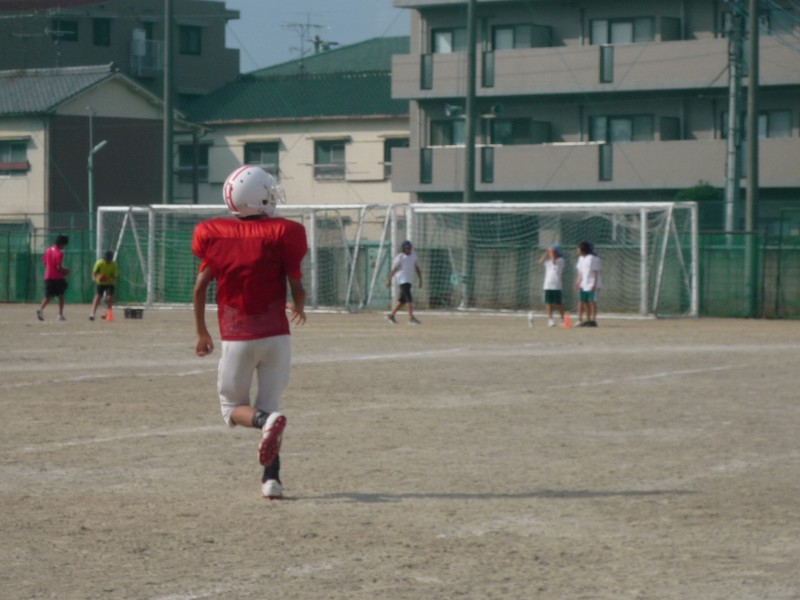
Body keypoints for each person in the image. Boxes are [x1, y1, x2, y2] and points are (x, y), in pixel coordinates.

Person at [192, 165, 308, 500]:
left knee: (233, 409)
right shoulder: (283, 233)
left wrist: (202, 332)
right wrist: (299, 306)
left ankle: (263, 425)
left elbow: (200, 288)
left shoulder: (217, 236)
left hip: (239, 336)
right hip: (277, 337)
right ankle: (272, 480)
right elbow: (296, 286)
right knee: (271, 407)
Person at [386, 240, 423, 324]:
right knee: (408, 298)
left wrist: (420, 279)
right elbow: (394, 269)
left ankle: (391, 316)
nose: (409, 249)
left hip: (409, 280)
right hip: (402, 280)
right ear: (403, 249)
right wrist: (389, 280)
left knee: (402, 300)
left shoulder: (413, 255)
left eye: (410, 248)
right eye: (407, 248)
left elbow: (417, 268)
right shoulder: (400, 257)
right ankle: (411, 318)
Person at [37, 235, 70, 321]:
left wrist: (50, 268)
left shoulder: (48, 250)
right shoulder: (60, 253)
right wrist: (65, 271)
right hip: (58, 277)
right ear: (61, 244)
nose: (64, 246)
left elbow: (44, 262)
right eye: (64, 244)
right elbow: (58, 267)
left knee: (48, 295)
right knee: (61, 296)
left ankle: (41, 309)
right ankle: (60, 315)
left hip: (48, 276)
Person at [575, 240, 601, 327]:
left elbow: (596, 272)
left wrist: (594, 284)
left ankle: (593, 320)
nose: (577, 251)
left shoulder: (592, 258)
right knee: (583, 301)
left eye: (578, 249)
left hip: (591, 283)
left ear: (583, 250)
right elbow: (580, 272)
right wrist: (578, 282)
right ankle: (584, 319)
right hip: (583, 283)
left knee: (591, 301)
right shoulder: (580, 259)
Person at [539, 244, 565, 327]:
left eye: (552, 252)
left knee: (559, 303)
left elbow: (554, 261)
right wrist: (547, 252)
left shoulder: (561, 260)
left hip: (557, 285)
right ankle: (550, 319)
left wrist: (551, 252)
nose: (551, 253)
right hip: (548, 285)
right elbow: (541, 261)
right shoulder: (548, 261)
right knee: (549, 303)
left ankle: (562, 318)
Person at [90, 251, 120, 321]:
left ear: (111, 259)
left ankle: (108, 313)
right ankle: (92, 313)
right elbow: (94, 273)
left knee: (109, 297)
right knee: (98, 296)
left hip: (110, 283)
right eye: (106, 259)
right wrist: (96, 278)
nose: (107, 261)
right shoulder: (99, 263)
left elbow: (115, 277)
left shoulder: (114, 265)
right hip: (100, 283)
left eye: (109, 260)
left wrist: (107, 278)